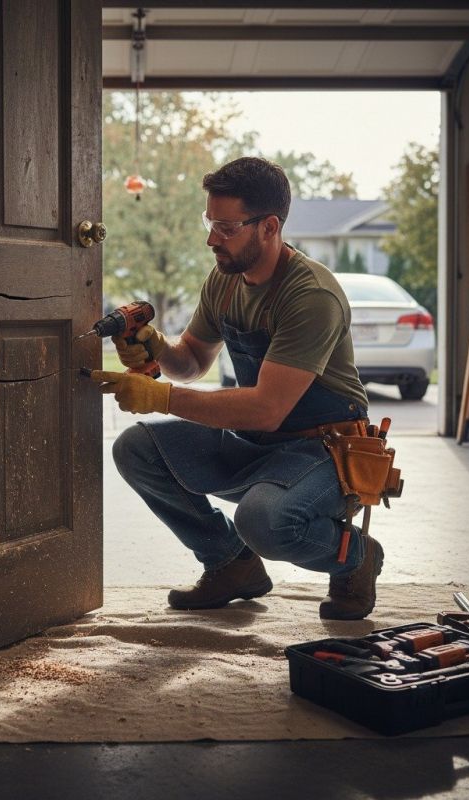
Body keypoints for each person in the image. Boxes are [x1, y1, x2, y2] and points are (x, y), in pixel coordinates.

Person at [92, 156, 383, 620]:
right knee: (137, 448)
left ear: (268, 226)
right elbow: (191, 363)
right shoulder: (225, 282)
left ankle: (355, 555)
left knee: (264, 520)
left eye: (226, 227)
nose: (212, 238)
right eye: (210, 222)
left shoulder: (311, 296)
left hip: (323, 451)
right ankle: (231, 563)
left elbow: (267, 407)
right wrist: (157, 348)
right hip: (255, 442)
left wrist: (161, 397)